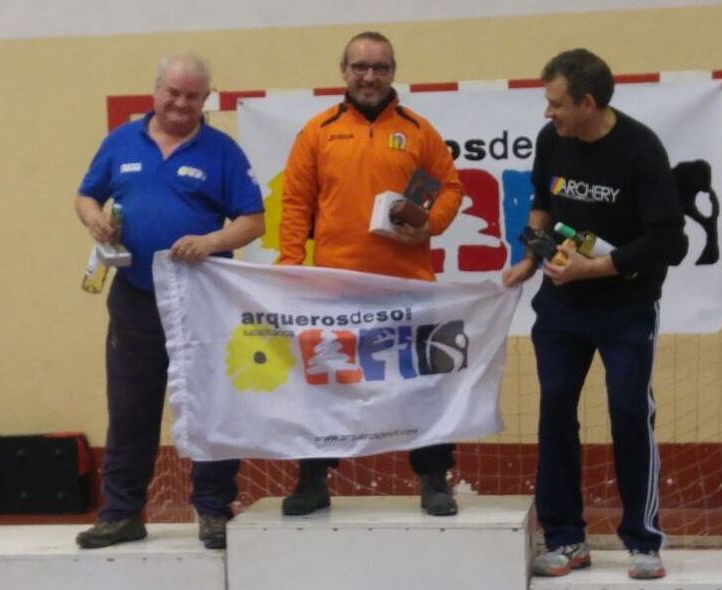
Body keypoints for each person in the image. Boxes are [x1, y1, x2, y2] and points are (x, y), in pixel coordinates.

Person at [503, 48, 687, 580]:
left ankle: (643, 541)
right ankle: (565, 539)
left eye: (556, 103)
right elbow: (543, 202)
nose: (548, 113)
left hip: (627, 308)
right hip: (561, 308)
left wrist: (597, 268)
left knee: (629, 411)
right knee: (555, 410)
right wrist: (530, 257)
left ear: (587, 102)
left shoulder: (640, 149)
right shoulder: (552, 140)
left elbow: (668, 241)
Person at [74, 54, 265, 549]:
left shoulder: (222, 151)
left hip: (203, 301)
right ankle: (121, 514)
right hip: (135, 300)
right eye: (173, 93)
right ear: (156, 90)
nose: (181, 103)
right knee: (130, 408)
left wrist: (211, 242)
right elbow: (86, 196)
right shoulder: (120, 142)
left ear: (206, 99)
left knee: (210, 405)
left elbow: (253, 221)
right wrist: (94, 219)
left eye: (192, 96)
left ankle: (213, 510)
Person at [277, 31, 463, 517]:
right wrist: (290, 269)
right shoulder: (318, 131)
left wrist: (430, 224)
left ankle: (434, 480)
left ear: (393, 72)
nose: (369, 77)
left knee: (422, 384)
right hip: (335, 287)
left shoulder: (419, 131)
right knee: (323, 386)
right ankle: (313, 480)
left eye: (379, 67)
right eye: (360, 67)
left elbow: (450, 188)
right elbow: (295, 204)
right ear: (343, 71)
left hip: (407, 287)